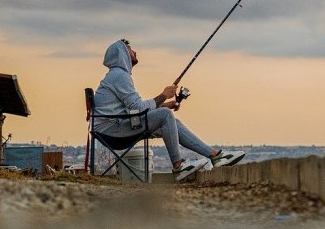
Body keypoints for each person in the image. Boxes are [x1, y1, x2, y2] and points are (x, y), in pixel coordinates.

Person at [93, 38, 245, 181]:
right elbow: (138, 108)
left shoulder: (117, 76)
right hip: (112, 132)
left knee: (171, 120)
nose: (135, 52)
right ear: (122, 54)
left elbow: (133, 110)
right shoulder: (120, 76)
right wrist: (164, 95)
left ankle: (215, 156)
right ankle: (178, 167)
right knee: (165, 116)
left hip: (115, 128)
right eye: (130, 49)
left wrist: (164, 104)